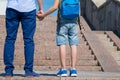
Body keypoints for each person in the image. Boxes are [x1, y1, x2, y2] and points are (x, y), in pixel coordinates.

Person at [37, 0, 80, 77]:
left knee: (62, 44)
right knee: (74, 44)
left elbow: (54, 7)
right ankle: (73, 69)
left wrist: (43, 15)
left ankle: (63, 70)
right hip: (74, 21)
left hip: (63, 21)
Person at [4, 0, 43, 77]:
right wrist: (41, 8)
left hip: (12, 8)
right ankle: (28, 71)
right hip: (29, 9)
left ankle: (8, 71)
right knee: (28, 40)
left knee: (10, 39)